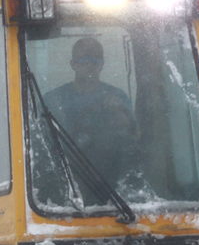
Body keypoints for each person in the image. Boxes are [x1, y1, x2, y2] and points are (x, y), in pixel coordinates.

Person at [43, 37, 138, 185]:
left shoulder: (117, 96)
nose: (90, 65)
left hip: (109, 176)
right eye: (83, 60)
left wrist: (119, 111)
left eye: (95, 60)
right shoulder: (53, 100)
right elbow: (41, 142)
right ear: (73, 64)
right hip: (65, 174)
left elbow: (135, 136)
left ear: (102, 65)